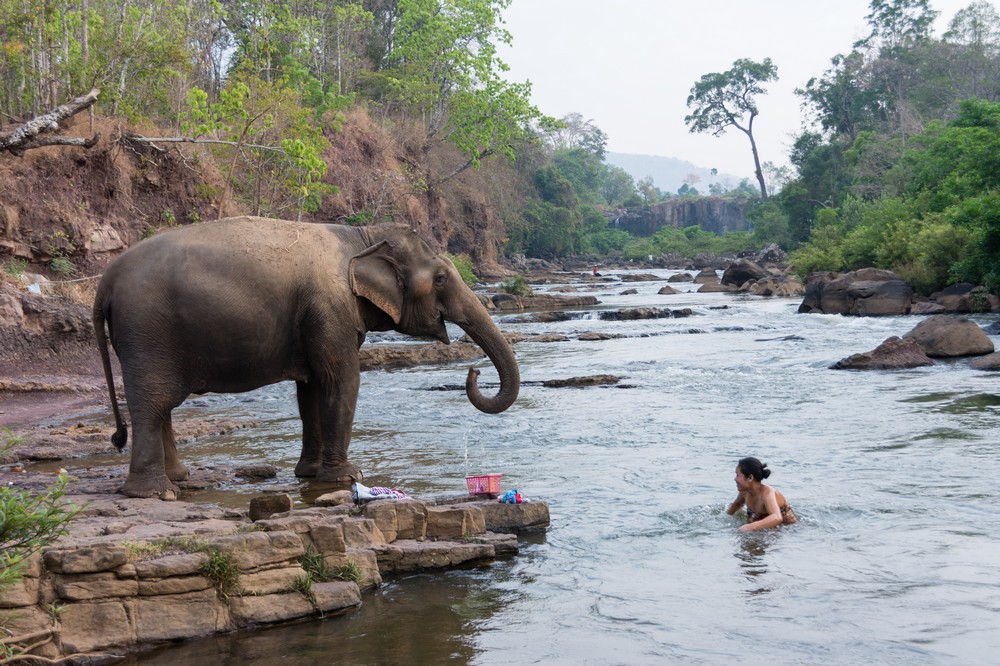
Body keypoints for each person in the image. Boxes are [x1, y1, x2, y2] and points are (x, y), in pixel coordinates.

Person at [726, 457, 797, 532]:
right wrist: (727, 517)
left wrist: (749, 527)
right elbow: (737, 504)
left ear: (750, 477)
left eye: (737, 475)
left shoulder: (768, 493)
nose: (735, 479)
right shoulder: (745, 492)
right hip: (763, 528)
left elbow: (777, 517)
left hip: (786, 529)